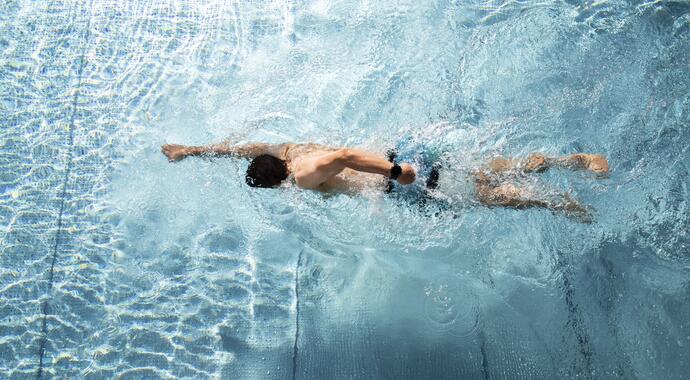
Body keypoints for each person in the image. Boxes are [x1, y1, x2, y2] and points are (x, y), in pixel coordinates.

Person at [161, 141, 608, 221]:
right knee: (488, 171)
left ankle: (556, 203)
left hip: (400, 180)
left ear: (277, 182)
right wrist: (195, 151)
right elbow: (243, 148)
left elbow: (345, 157)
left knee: (488, 198)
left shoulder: (302, 177)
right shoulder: (290, 151)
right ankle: (571, 162)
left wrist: (397, 174)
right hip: (400, 159)